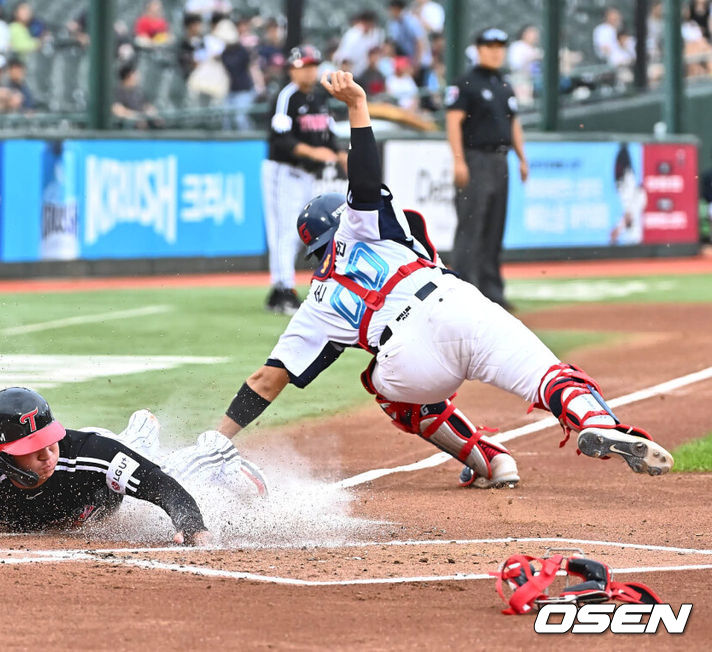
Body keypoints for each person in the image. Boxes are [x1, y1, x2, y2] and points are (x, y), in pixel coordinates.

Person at [211, 70, 675, 491]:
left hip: (408, 361)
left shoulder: (316, 299)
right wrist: (357, 106)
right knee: (552, 378)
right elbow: (367, 178)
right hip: (458, 304)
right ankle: (599, 422)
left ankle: (489, 461)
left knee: (389, 390)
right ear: (342, 220)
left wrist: (214, 439)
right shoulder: (362, 225)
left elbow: (266, 381)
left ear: (314, 249)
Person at [0, 387, 268, 545]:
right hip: (105, 451)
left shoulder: (82, 453)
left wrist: (190, 523)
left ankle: (214, 449)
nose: (49, 453)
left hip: (109, 471)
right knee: (130, 446)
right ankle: (138, 432)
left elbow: (160, 486)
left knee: (153, 461)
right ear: (3, 452)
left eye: (49, 441)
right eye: (34, 447)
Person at [444, 27, 527, 310]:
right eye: (489, 46)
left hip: (500, 160)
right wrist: (458, 160)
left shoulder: (504, 85)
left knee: (494, 228)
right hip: (475, 158)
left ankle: (493, 293)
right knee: (471, 227)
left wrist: (522, 157)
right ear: (478, 49)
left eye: (500, 46)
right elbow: (453, 121)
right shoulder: (465, 83)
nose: (495, 51)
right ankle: (466, 292)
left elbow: (513, 122)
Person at [262, 45, 345, 315]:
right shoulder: (287, 96)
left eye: (312, 65)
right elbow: (280, 138)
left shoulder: (319, 98)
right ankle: (283, 289)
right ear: (292, 69)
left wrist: (340, 154)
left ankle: (280, 290)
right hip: (283, 171)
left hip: (306, 174)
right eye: (303, 66)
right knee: (284, 231)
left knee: (296, 233)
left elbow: (328, 134)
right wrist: (314, 152)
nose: (309, 71)